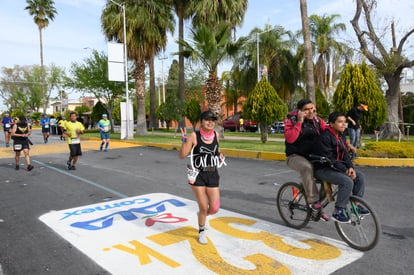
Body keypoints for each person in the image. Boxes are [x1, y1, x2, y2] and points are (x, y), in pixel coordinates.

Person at [179, 110, 226, 245]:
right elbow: (182, 155)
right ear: (202, 121)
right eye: (207, 120)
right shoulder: (194, 136)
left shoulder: (216, 135)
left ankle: (202, 215)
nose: (210, 122)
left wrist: (220, 155)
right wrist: (184, 141)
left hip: (212, 174)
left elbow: (216, 150)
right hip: (197, 175)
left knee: (215, 208)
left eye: (213, 120)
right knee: (204, 206)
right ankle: (201, 231)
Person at [313, 112, 368, 223]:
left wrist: (350, 167)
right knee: (347, 182)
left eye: (344, 122)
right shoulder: (325, 137)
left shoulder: (341, 135)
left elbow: (345, 155)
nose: (344, 124)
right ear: (332, 124)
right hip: (323, 168)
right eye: (340, 122)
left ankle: (356, 205)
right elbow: (330, 159)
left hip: (336, 167)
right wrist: (345, 169)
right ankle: (338, 211)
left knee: (360, 176)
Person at [284, 99, 329, 221]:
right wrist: (299, 121)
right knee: (306, 168)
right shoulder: (291, 121)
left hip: (313, 157)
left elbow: (330, 133)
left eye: (312, 108)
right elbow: (291, 139)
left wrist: (345, 143)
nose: (310, 111)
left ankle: (317, 208)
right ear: (300, 111)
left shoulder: (318, 121)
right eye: (306, 109)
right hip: (294, 157)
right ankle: (313, 201)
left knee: (329, 177)